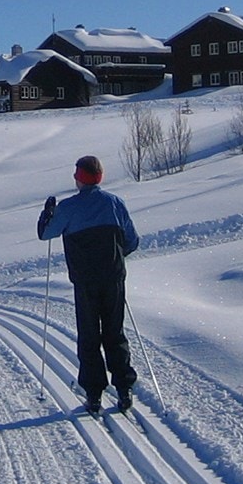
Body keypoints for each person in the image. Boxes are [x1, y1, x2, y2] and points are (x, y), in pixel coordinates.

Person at [36, 154, 140, 414]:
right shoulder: (115, 203)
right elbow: (131, 241)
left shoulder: (69, 208)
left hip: (85, 280)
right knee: (115, 332)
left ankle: (94, 394)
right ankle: (124, 388)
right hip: (114, 276)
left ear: (79, 178)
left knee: (90, 334)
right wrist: (114, 256)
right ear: (100, 177)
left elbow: (45, 233)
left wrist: (47, 213)